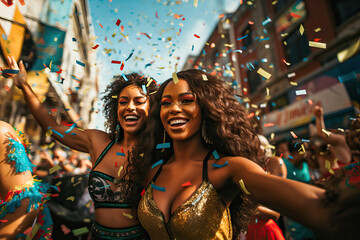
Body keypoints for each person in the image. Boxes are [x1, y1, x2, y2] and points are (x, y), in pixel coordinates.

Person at [126, 69, 360, 240]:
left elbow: (324, 208)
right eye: (166, 103)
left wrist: (341, 203)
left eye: (187, 100)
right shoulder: (151, 170)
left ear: (207, 108)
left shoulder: (229, 168)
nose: (175, 109)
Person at [5, 56, 158, 239]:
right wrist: (24, 86)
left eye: (139, 101)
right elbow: (52, 127)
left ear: (152, 108)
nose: (130, 107)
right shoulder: (97, 141)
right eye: (123, 102)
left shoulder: (158, 150)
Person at [0, 121, 52, 239]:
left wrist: (51, 162)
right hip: (21, 186)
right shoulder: (39, 164)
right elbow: (32, 171)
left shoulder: (54, 166)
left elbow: (59, 175)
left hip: (46, 196)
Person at [246, 135, 286, 240]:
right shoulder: (248, 167)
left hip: (267, 229)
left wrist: (251, 208)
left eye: (256, 147)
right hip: (250, 231)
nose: (252, 151)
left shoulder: (275, 162)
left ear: (265, 149)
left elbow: (276, 213)